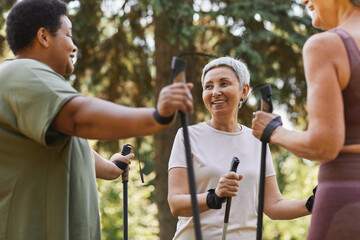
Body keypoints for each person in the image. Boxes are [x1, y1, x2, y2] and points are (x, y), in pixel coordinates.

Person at [0, 0, 193, 240]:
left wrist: (113, 168)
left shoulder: (37, 92)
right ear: (43, 36)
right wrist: (157, 116)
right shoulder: (21, 73)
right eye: (68, 35)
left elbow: (76, 147)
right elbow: (80, 117)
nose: (74, 46)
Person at [167, 57, 310, 240]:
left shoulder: (258, 140)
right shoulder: (187, 136)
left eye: (224, 83)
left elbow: (273, 206)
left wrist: (312, 204)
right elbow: (175, 203)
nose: (215, 92)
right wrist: (214, 197)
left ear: (244, 90)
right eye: (208, 86)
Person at [251, 0, 360, 239]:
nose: (303, 1)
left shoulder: (327, 46)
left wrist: (273, 130)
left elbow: (323, 145)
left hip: (347, 201)